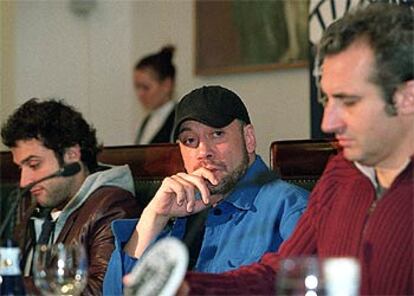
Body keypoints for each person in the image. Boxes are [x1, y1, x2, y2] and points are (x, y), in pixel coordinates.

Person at [178, 3, 414, 295]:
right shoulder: (342, 173)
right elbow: (284, 271)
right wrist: (190, 287)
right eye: (326, 100)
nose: (328, 123)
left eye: (348, 101)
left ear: (406, 98)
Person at [103, 85, 309, 294]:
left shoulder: (291, 208)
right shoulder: (179, 211)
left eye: (217, 134)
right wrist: (155, 216)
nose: (204, 152)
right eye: (190, 140)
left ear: (249, 139)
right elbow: (115, 292)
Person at [0, 98, 141, 294]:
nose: (24, 181)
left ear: (72, 155)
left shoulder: (113, 205)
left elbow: (98, 290)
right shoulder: (32, 205)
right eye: (20, 168)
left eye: (34, 165)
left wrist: (10, 284)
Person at [133, 45, 176, 144]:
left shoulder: (179, 119)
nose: (140, 94)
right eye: (137, 87)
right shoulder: (147, 121)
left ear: (167, 85)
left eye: (145, 87)